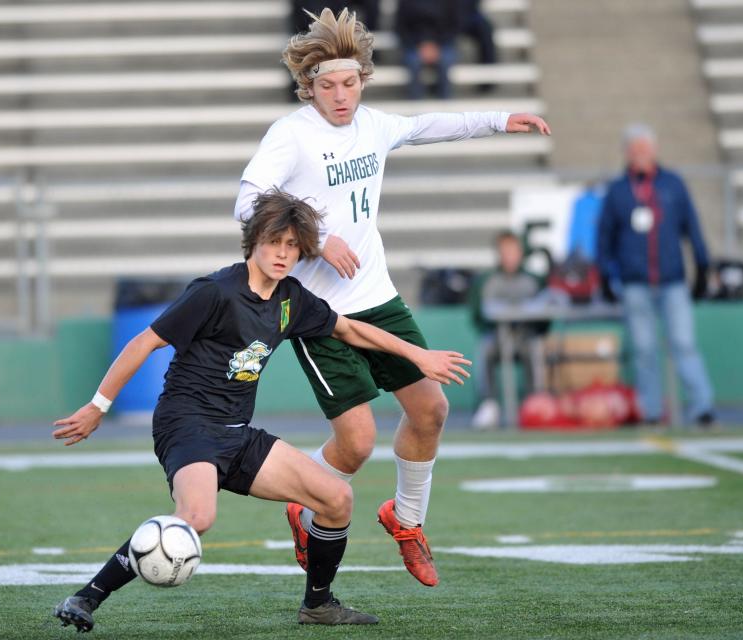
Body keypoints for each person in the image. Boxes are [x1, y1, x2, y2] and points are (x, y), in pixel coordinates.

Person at [51, 190, 470, 632]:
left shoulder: (292, 298)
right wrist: (98, 406)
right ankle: (86, 597)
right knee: (198, 517)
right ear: (254, 241)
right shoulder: (214, 292)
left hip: (238, 432)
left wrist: (417, 356)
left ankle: (318, 605)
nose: (283, 254)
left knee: (336, 499)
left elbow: (348, 329)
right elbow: (144, 342)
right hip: (188, 425)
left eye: (292, 246)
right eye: (275, 243)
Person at [233, 7, 549, 587]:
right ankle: (303, 509)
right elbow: (246, 203)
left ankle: (406, 520)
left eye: (350, 82)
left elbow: (431, 125)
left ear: (363, 79)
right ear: (308, 87)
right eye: (327, 85)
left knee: (431, 409)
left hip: (379, 298)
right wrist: (317, 240)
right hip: (321, 316)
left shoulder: (373, 125)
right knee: (355, 447)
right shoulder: (291, 135)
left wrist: (503, 118)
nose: (340, 95)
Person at [596, 124, 714, 427]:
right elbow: (604, 237)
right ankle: (650, 410)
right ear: (626, 153)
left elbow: (692, 227)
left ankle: (702, 406)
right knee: (645, 350)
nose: (640, 156)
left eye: (644, 149)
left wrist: (702, 266)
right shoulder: (619, 190)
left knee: (684, 344)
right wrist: (605, 275)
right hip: (635, 283)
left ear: (655, 150)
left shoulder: (672, 184)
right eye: (635, 150)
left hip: (672, 279)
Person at [468, 231, 546, 429]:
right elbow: (478, 315)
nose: (510, 256)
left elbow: (544, 316)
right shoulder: (487, 280)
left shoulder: (533, 280)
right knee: (485, 348)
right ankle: (489, 404)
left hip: (524, 338)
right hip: (498, 338)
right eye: (505, 251)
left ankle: (535, 403)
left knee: (535, 347)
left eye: (514, 251)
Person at [394, 0, 461, 100]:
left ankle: (445, 104)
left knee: (445, 61)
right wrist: (420, 45)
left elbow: (455, 26)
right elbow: (400, 27)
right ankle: (415, 105)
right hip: (414, 45)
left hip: (443, 44)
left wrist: (436, 46)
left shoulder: (450, 2)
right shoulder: (406, 2)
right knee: (413, 62)